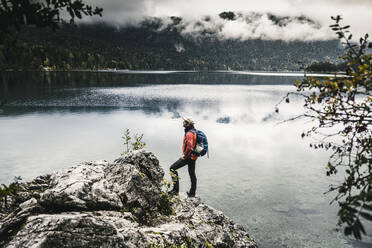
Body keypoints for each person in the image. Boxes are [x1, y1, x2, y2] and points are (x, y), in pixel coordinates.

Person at [168, 117, 198, 197]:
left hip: (188, 157)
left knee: (172, 168)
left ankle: (175, 190)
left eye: (184, 121)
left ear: (188, 123)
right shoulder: (194, 131)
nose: (183, 122)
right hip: (193, 156)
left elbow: (189, 146)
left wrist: (184, 156)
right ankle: (192, 193)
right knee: (192, 173)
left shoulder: (189, 133)